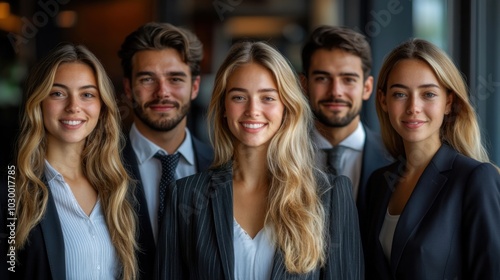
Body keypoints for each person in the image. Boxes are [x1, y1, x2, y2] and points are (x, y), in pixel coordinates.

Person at [156, 41, 363, 279]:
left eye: (267, 98)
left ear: (287, 106)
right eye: (239, 97)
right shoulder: (186, 195)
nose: (253, 110)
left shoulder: (330, 194)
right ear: (224, 106)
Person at [363, 38, 500, 279]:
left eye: (428, 94)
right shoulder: (379, 182)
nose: (413, 107)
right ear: (384, 100)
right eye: (400, 94)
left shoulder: (475, 179)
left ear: (449, 102)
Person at [5, 43, 137, 279]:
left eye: (87, 94)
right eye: (58, 93)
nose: (74, 107)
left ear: (101, 106)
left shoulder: (117, 186)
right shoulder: (11, 189)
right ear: (39, 102)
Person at [117, 22, 214, 280]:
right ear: (128, 88)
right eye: (147, 79)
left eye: (175, 79)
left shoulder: (223, 168)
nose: (162, 92)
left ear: (194, 87)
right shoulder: (98, 166)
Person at [300, 25, 393, 218]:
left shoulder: (397, 158)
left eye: (348, 79)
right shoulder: (279, 157)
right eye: (322, 78)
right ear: (304, 85)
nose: (335, 91)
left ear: (367, 88)